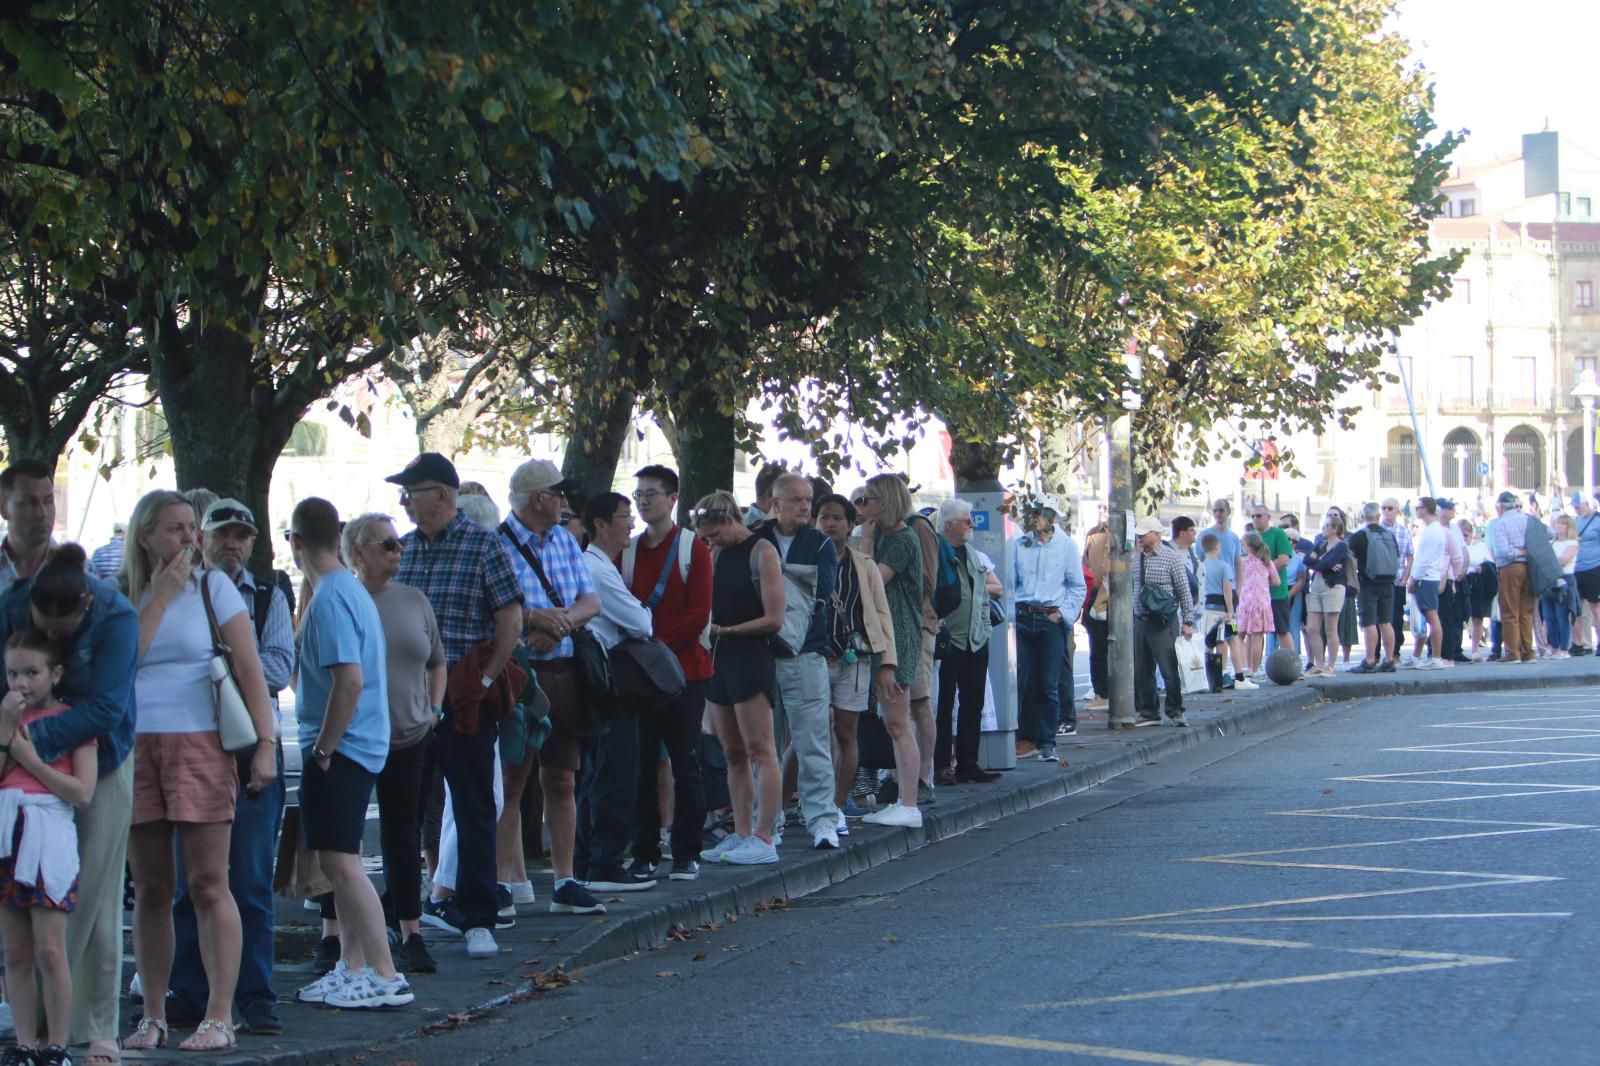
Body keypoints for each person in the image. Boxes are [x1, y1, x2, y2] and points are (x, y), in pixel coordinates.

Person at [121, 490, 276, 1053]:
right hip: (138, 746)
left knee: (211, 883)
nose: (189, 538)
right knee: (152, 888)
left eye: (192, 527)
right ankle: (154, 1014)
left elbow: (250, 668)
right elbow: (119, 665)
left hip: (203, 742)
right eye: (175, 528)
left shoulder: (215, 588)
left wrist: (265, 744)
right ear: (146, 536)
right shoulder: (125, 594)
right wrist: (158, 597)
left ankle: (219, 1016)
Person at [0, 543, 136, 1066]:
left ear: (85, 604)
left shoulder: (115, 614)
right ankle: (31, 1032)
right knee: (21, 913)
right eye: (42, 625)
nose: (52, 636)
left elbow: (105, 706)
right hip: (23, 765)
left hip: (95, 749)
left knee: (95, 896)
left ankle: (95, 1027)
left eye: (64, 629)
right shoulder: (14, 602)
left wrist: (27, 744)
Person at [166, 499, 295, 1035]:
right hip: (191, 743)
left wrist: (216, 661)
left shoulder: (268, 598)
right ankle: (187, 991)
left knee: (249, 882)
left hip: (248, 744)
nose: (233, 545)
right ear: (202, 538)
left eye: (243, 536)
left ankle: (255, 994)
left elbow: (278, 668)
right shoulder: (181, 592)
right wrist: (234, 662)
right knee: (186, 883)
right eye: (224, 534)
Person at [391, 452, 523, 959]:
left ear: (442, 495)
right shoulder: (403, 550)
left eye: (413, 491)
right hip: (409, 702)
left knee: (472, 806)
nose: (405, 501)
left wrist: (487, 678)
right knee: (406, 808)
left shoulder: (482, 544)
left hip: (465, 697)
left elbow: (510, 619)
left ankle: (478, 916)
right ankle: (406, 919)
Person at [287, 499, 413, 1011]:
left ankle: (384, 972)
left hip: (343, 748)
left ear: (295, 543)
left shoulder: (333, 598)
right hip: (357, 744)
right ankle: (352, 965)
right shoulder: (348, 590)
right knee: (347, 860)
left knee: (340, 863)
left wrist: (323, 748)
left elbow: (349, 681)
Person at [497, 459, 607, 911]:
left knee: (562, 777)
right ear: (537, 498)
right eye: (558, 493)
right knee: (511, 782)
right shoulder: (496, 544)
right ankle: (503, 880)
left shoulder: (564, 539)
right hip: (520, 677)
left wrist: (557, 624)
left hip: (563, 671)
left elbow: (591, 600)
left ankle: (564, 881)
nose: (565, 501)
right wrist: (532, 619)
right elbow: (495, 608)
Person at [343, 512, 446, 975]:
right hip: (354, 739)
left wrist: (434, 710)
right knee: (341, 840)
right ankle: (337, 937)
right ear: (358, 551)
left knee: (403, 835)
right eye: (386, 544)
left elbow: (437, 661)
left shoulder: (414, 599)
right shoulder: (342, 598)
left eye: (397, 543)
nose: (396, 551)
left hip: (410, 735)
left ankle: (411, 931)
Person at [0, 628, 98, 1066]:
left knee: (49, 948)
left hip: (48, 832)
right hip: (8, 829)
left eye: (32, 673)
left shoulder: (72, 721)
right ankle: (23, 1042)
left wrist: (32, 760)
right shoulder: (7, 721)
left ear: (55, 673)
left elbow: (82, 791)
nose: (21, 683)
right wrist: (6, 730)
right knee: (15, 950)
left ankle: (56, 1043)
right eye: (12, 673)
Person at [621, 465, 711, 882]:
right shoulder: (630, 551)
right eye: (639, 494)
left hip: (685, 673)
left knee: (685, 762)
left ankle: (687, 850)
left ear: (673, 499)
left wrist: (656, 645)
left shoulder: (694, 549)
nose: (643, 501)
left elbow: (698, 614)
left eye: (652, 493)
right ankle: (644, 850)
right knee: (641, 766)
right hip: (641, 677)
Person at [693, 491, 788, 861]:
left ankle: (765, 835)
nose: (709, 540)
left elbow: (774, 617)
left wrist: (726, 631)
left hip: (750, 656)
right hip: (719, 658)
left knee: (761, 749)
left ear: (730, 519)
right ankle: (742, 830)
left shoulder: (762, 551)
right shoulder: (715, 553)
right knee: (732, 751)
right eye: (705, 535)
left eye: (714, 531)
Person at [752, 472, 841, 849]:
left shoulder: (819, 543)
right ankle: (766, 823)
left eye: (808, 499)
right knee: (762, 744)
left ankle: (822, 818)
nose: (806, 506)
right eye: (796, 500)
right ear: (775, 503)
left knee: (813, 741)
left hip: (806, 653)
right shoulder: (755, 537)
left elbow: (822, 589)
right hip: (759, 655)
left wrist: (773, 590)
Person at [574, 493, 657, 891]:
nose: (632, 524)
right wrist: (642, 611)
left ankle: (588, 859)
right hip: (610, 681)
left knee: (596, 773)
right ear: (602, 524)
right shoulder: (599, 570)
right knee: (614, 771)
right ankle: (605, 862)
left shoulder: (595, 565)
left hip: (596, 679)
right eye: (625, 516)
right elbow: (641, 623)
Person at [813, 494, 901, 828]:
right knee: (810, 734)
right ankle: (788, 806)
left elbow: (882, 614)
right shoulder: (805, 559)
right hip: (814, 658)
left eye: (837, 518)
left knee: (847, 731)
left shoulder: (863, 565)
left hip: (855, 659)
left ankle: (836, 805)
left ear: (851, 524)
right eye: (824, 517)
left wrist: (887, 663)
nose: (830, 523)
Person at [857, 476, 927, 825]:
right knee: (896, 724)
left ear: (883, 502)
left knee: (899, 724)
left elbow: (870, 579)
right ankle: (904, 799)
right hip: (888, 637)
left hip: (897, 638)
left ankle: (909, 802)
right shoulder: (892, 537)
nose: (862, 506)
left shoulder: (901, 539)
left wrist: (866, 540)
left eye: (867, 499)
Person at [1008, 494, 1085, 761]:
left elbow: (1077, 586)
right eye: (1033, 512)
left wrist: (1063, 614)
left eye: (1040, 512)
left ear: (1052, 517)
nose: (1035, 517)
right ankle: (1026, 739)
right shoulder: (1019, 544)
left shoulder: (1066, 546)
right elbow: (1008, 583)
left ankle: (1047, 742)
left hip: (1049, 619)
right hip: (1023, 617)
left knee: (1048, 684)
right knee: (1022, 682)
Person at [934, 498, 1001, 785]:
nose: (972, 524)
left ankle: (968, 762)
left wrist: (984, 628)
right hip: (948, 641)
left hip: (975, 640)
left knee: (973, 703)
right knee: (942, 706)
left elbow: (988, 593)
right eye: (966, 520)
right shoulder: (936, 552)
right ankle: (940, 765)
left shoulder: (973, 554)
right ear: (949, 525)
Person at [1130, 515, 1193, 726]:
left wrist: (1188, 621)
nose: (1139, 536)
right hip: (1141, 620)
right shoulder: (1135, 559)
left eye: (1144, 533)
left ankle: (1175, 710)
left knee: (1168, 668)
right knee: (1142, 668)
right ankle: (1148, 711)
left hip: (1163, 621)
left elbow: (1184, 590)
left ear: (1156, 535)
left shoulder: (1170, 557)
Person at [1347, 502, 1399, 674]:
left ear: (1363, 517)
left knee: (1369, 622)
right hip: (1389, 583)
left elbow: (1349, 558)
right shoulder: (1390, 535)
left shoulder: (1359, 536)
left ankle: (1370, 660)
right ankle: (1389, 659)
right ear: (1378, 516)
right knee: (1386, 622)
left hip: (1368, 583)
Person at [1488, 490, 1535, 663]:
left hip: (1509, 568)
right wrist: (1528, 551)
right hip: (1529, 568)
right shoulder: (1528, 519)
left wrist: (1518, 551)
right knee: (1525, 612)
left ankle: (1512, 652)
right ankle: (1528, 652)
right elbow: (1549, 534)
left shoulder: (1500, 524)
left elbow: (1502, 551)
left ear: (1500, 506)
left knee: (1509, 611)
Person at [0, 460, 59, 597]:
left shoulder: (80, 570)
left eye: (48, 501)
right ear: (3, 509)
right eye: (29, 503)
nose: (42, 513)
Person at [1246, 504, 1294, 668]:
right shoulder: (1249, 537)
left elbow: (1284, 559)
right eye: (1252, 516)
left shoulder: (1278, 534)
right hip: (1251, 598)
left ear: (1268, 517)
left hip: (1276, 593)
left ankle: (1292, 666)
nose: (1255, 519)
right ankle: (1250, 670)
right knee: (1250, 632)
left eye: (1258, 515)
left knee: (1282, 629)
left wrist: (1262, 572)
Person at [1302, 513, 1350, 677]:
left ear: (1335, 529)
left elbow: (1327, 563)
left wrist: (1322, 564)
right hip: (1317, 584)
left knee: (1330, 628)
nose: (1323, 528)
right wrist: (1322, 565)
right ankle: (1319, 664)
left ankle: (1330, 666)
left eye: (1326, 526)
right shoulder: (1321, 544)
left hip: (1333, 586)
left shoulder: (1341, 546)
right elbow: (1307, 560)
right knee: (1312, 628)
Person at [1407, 497, 1448, 670]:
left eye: (1418, 508)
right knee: (1423, 618)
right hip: (1427, 577)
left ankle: (1436, 657)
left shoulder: (1433, 531)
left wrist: (1414, 579)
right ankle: (1417, 656)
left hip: (1426, 578)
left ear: (1426, 509)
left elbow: (1425, 560)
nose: (1416, 510)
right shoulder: (1432, 529)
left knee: (1432, 617)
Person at [1235, 531, 1278, 675]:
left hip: (1245, 602)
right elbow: (1277, 581)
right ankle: (1254, 669)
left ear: (1246, 546)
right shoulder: (1266, 562)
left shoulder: (1242, 561)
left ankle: (1244, 667)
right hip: (1262, 602)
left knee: (1238, 635)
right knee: (1257, 637)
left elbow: (1236, 580)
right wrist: (1263, 584)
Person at [1380, 498, 1414, 666]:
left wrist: (1404, 578)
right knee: (1377, 617)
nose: (1387, 511)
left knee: (1396, 618)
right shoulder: (1374, 530)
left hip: (1397, 581)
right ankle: (1376, 652)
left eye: (1390, 508)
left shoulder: (1403, 531)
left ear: (1397, 511)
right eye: (1384, 508)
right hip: (1378, 581)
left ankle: (1395, 652)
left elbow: (1410, 556)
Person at [1198, 532, 1235, 682]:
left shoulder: (1201, 566)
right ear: (1216, 547)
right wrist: (1231, 610)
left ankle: (1208, 674)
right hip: (1222, 610)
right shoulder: (1224, 566)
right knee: (1226, 640)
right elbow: (1227, 590)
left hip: (1206, 610)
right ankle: (1223, 672)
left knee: (1208, 642)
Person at [1541, 513, 1579, 658]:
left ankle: (1564, 649)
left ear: (1568, 526)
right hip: (1549, 581)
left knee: (1562, 616)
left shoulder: (1572, 543)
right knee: (1549, 617)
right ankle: (1554, 648)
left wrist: (1549, 561)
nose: (1559, 526)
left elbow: (1563, 560)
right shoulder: (1552, 543)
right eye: (1557, 523)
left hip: (1564, 580)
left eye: (1563, 524)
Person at [1437, 499, 1470, 664]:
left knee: (1457, 616)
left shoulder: (1454, 528)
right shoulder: (1438, 529)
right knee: (1442, 617)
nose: (1452, 512)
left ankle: (1455, 649)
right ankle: (1439, 650)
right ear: (1440, 511)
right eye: (1449, 509)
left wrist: (1463, 570)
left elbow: (1463, 550)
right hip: (1444, 578)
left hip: (1456, 577)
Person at [1082, 522, 1110, 709]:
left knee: (1098, 652)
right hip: (1110, 599)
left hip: (1098, 598)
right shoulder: (1117, 542)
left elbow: (1088, 571)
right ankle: (1107, 692)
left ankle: (1102, 694)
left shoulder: (1095, 540)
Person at [1461, 519, 1497, 661]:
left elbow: (1490, 565)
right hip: (1461, 581)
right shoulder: (1455, 546)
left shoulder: (1480, 547)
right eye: (1461, 535)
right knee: (1460, 617)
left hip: (1477, 583)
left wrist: (1482, 569)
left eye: (1466, 535)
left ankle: (1475, 650)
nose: (1464, 538)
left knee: (1477, 617)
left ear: (1471, 534)